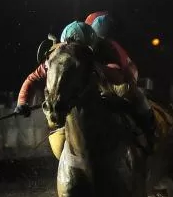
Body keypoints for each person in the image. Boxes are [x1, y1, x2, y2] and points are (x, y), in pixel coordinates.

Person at [14, 12, 156, 152]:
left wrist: (97, 68)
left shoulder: (105, 49)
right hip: (79, 95)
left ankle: (149, 130)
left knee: (130, 93)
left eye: (78, 52)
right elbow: (33, 78)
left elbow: (118, 78)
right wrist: (22, 102)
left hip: (118, 81)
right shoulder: (58, 55)